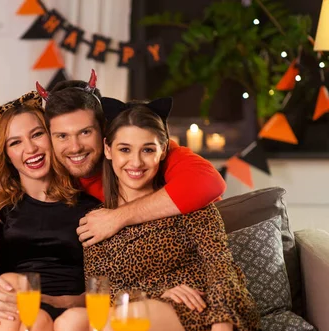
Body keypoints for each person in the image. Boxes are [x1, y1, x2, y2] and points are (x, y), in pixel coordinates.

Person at [80, 98, 260, 331]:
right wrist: (158, 293)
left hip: (205, 311)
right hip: (143, 314)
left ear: (163, 152)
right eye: (125, 149)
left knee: (117, 322)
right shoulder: (97, 221)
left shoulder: (186, 199)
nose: (136, 163)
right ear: (108, 150)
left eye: (147, 150)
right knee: (76, 324)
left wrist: (223, 325)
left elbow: (219, 263)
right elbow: (101, 293)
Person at [0, 104, 101, 331]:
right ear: (6, 154)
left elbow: (101, 284)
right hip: (13, 302)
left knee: (38, 318)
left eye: (37, 135)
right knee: (17, 299)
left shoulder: (91, 207)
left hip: (69, 307)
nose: (30, 149)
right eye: (15, 142)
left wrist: (59, 301)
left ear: (53, 138)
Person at [37, 72, 227, 246]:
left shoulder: (142, 148)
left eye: (85, 132)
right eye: (62, 136)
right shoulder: (49, 174)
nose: (75, 147)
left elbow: (210, 183)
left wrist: (119, 217)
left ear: (105, 129)